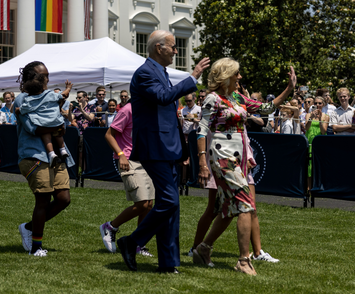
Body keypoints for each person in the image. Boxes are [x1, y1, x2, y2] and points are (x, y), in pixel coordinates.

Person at [116, 30, 210, 274]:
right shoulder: (145, 72)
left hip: (167, 147)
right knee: (168, 201)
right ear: (159, 48)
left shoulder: (160, 72)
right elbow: (163, 97)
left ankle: (168, 263)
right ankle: (132, 241)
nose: (176, 50)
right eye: (173, 46)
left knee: (172, 205)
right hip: (154, 147)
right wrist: (194, 76)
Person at [191, 57, 295, 276]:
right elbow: (201, 131)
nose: (240, 77)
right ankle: (243, 260)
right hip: (221, 156)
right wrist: (202, 162)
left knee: (229, 210)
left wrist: (289, 88)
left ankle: (203, 249)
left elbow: (266, 108)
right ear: (226, 76)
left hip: (238, 157)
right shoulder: (212, 98)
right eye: (236, 73)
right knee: (246, 204)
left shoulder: (237, 96)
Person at [14, 61, 75, 257]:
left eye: (47, 74)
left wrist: (57, 125)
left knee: (63, 199)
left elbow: (61, 126)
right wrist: (56, 126)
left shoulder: (50, 96)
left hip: (55, 155)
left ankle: (29, 227)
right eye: (43, 75)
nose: (47, 78)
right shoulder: (22, 99)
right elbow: (34, 128)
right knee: (43, 200)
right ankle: (36, 248)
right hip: (34, 155)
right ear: (32, 77)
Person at [99, 101, 155, 258]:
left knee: (149, 205)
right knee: (142, 203)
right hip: (129, 160)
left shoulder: (149, 110)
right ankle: (111, 227)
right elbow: (109, 135)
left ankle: (139, 244)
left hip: (146, 160)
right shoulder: (128, 110)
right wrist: (121, 154)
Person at [19, 71, 73, 164]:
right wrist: (68, 88)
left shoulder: (30, 100)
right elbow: (63, 95)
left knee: (46, 137)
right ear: (43, 86)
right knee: (59, 135)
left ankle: (51, 153)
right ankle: (63, 150)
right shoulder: (50, 94)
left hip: (43, 124)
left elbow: (22, 110)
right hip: (57, 122)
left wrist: (17, 110)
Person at [304, 95, 329, 191]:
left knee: (319, 164)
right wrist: (311, 118)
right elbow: (306, 128)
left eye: (319, 103)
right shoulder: (308, 115)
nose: (317, 105)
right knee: (309, 165)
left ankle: (319, 186)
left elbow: (323, 131)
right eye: (315, 103)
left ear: (323, 105)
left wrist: (319, 120)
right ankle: (308, 188)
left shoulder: (326, 117)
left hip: (320, 142)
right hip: (309, 141)